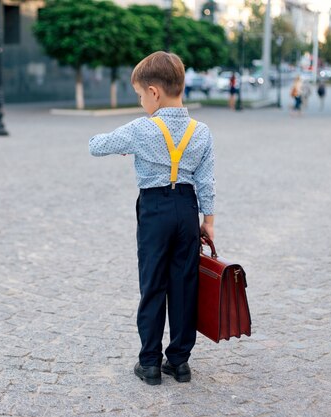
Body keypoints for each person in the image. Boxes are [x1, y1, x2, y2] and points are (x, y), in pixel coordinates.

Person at [89, 51, 216, 386]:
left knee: (152, 284)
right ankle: (180, 362)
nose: (141, 101)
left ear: (154, 92)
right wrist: (209, 222)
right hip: (187, 210)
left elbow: (96, 146)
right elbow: (206, 181)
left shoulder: (141, 129)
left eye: (140, 95)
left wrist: (122, 145)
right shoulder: (201, 131)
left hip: (155, 210)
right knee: (184, 284)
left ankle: (149, 363)